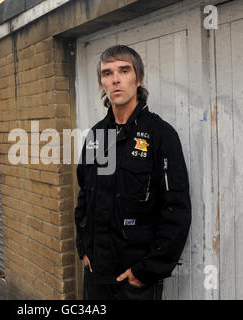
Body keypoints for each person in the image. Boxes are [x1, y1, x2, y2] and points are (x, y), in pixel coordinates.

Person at [74, 45, 191, 300]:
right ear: (102, 82)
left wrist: (145, 272)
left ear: (138, 79)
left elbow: (176, 210)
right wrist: (84, 247)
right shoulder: (97, 136)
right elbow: (85, 196)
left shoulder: (160, 135)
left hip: (135, 282)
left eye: (124, 71)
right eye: (107, 73)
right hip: (96, 276)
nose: (115, 79)